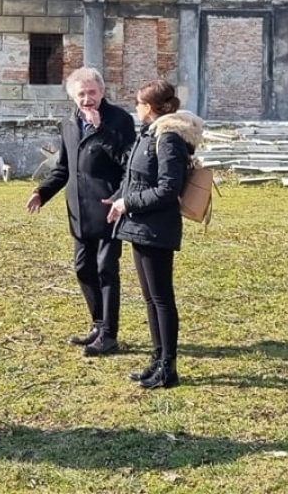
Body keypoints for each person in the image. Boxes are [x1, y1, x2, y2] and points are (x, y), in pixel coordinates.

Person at [26, 67, 136, 356]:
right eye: (81, 94)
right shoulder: (70, 123)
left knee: (106, 269)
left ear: (102, 92)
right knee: (83, 268)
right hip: (79, 212)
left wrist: (102, 131)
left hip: (108, 208)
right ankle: (98, 325)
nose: (88, 99)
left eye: (92, 92)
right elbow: (64, 168)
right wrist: (42, 191)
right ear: (73, 96)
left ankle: (110, 335)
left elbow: (130, 164)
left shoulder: (120, 120)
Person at [105, 80, 202, 389]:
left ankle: (168, 367)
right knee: (150, 297)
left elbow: (167, 189)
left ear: (149, 107)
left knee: (161, 299)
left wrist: (128, 203)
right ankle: (157, 360)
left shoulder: (169, 137)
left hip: (156, 227)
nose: (135, 107)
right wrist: (118, 200)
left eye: (138, 102)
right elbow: (134, 175)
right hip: (140, 224)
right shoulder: (151, 133)